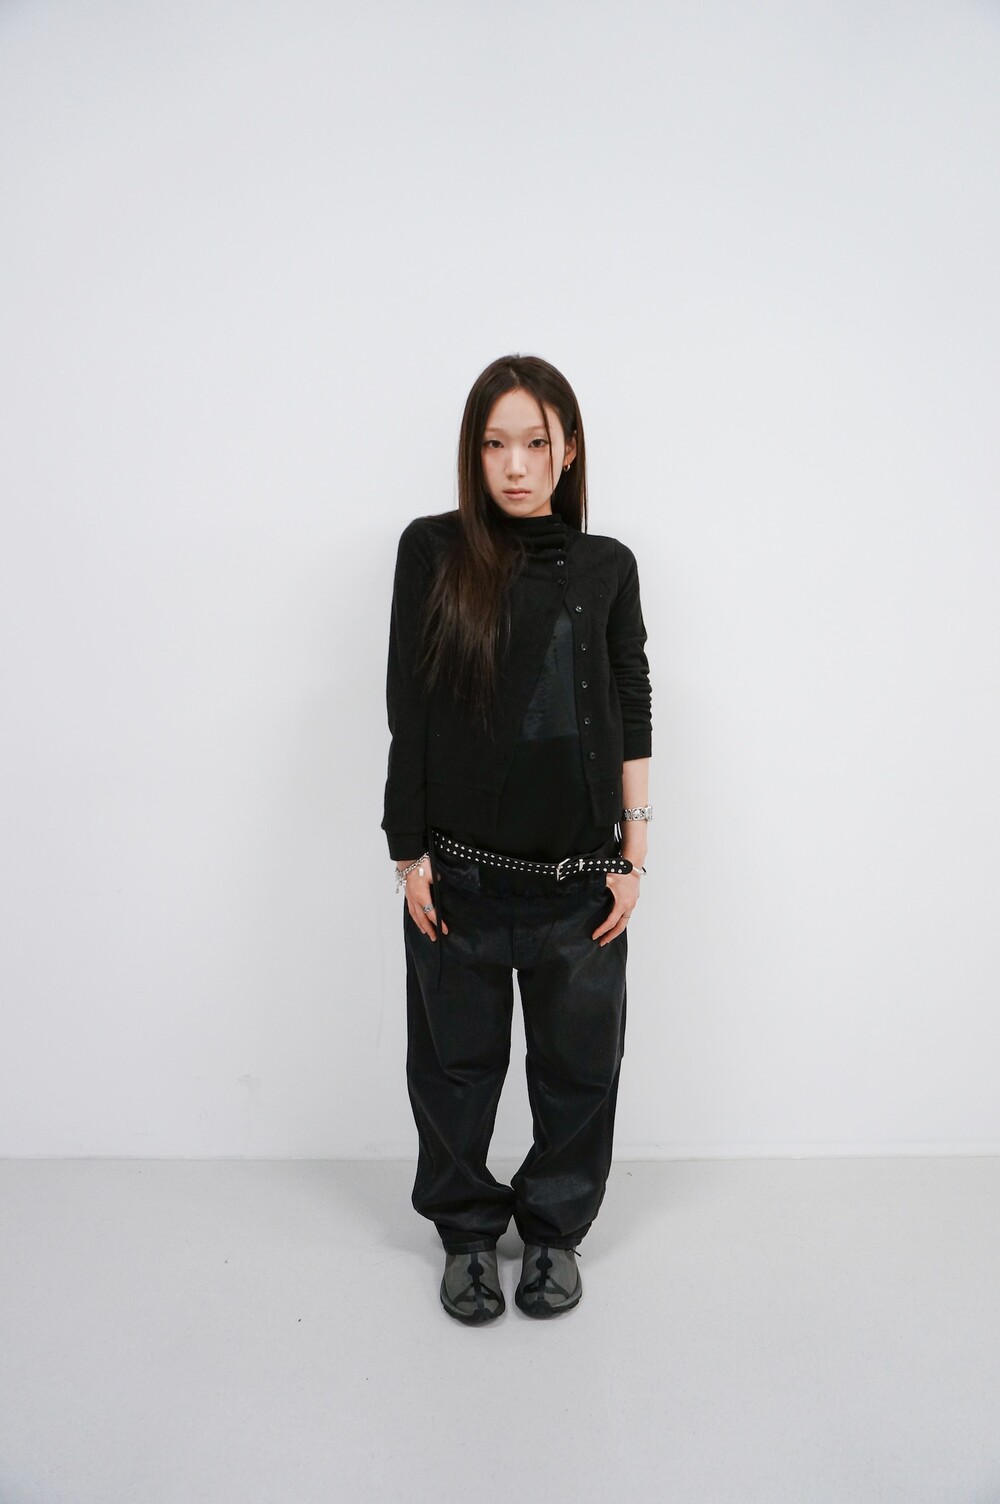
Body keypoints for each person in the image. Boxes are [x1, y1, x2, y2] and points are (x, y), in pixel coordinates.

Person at [381, 354, 652, 1324]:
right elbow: (409, 706)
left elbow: (631, 702)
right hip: (458, 875)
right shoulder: (432, 551)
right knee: (454, 1070)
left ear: (567, 450)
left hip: (580, 882)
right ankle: (465, 1237)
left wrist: (634, 855)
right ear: (474, 452)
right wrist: (407, 854)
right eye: (495, 443)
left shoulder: (607, 566)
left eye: (535, 442)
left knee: (578, 1070)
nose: (515, 464)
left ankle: (550, 1236)